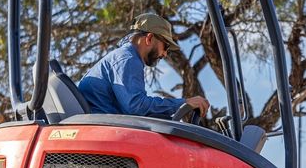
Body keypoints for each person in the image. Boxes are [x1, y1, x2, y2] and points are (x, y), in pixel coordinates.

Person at [77, 12, 211, 119]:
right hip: (104, 130)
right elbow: (136, 106)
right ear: (149, 38)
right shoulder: (127, 59)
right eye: (166, 46)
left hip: (105, 125)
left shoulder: (123, 57)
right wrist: (183, 103)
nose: (165, 54)